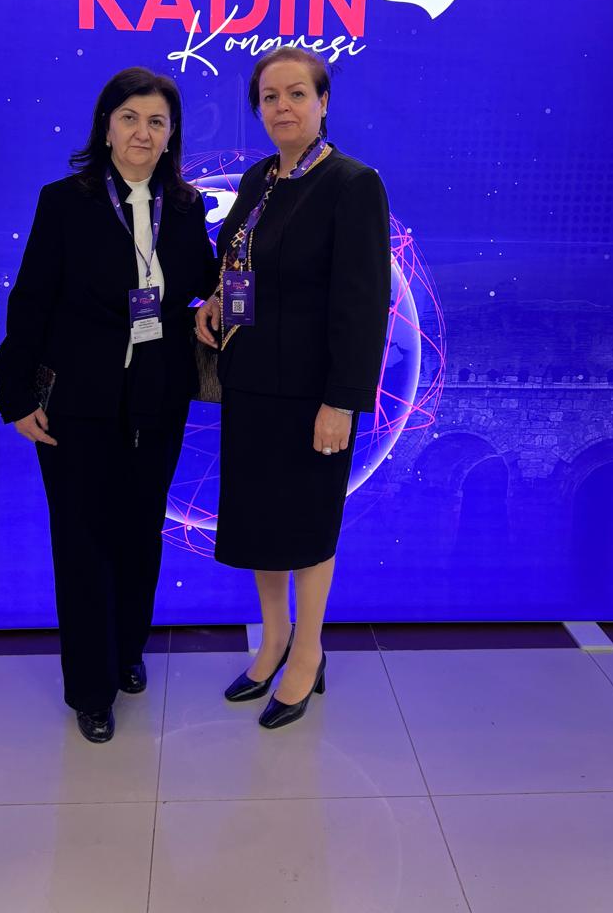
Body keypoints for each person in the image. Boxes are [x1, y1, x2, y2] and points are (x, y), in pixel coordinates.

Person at [0, 68, 217, 744]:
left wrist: (224, 294)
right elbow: (31, 300)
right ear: (106, 126)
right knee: (83, 541)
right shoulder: (65, 202)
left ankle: (126, 651)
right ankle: (91, 689)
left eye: (156, 121)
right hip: (78, 401)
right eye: (129, 118)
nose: (142, 133)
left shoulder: (186, 208)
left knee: (140, 533)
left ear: (172, 134)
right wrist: (16, 394)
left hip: (158, 398)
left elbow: (205, 281)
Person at [195, 46, 391, 729]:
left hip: (314, 396)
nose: (283, 107)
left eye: (296, 94)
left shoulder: (351, 183)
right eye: (270, 97)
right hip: (251, 383)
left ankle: (308, 652)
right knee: (261, 523)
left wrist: (342, 400)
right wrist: (216, 301)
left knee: (307, 524)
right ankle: (273, 638)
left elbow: (363, 305)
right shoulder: (259, 178)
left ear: (323, 102)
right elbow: (240, 264)